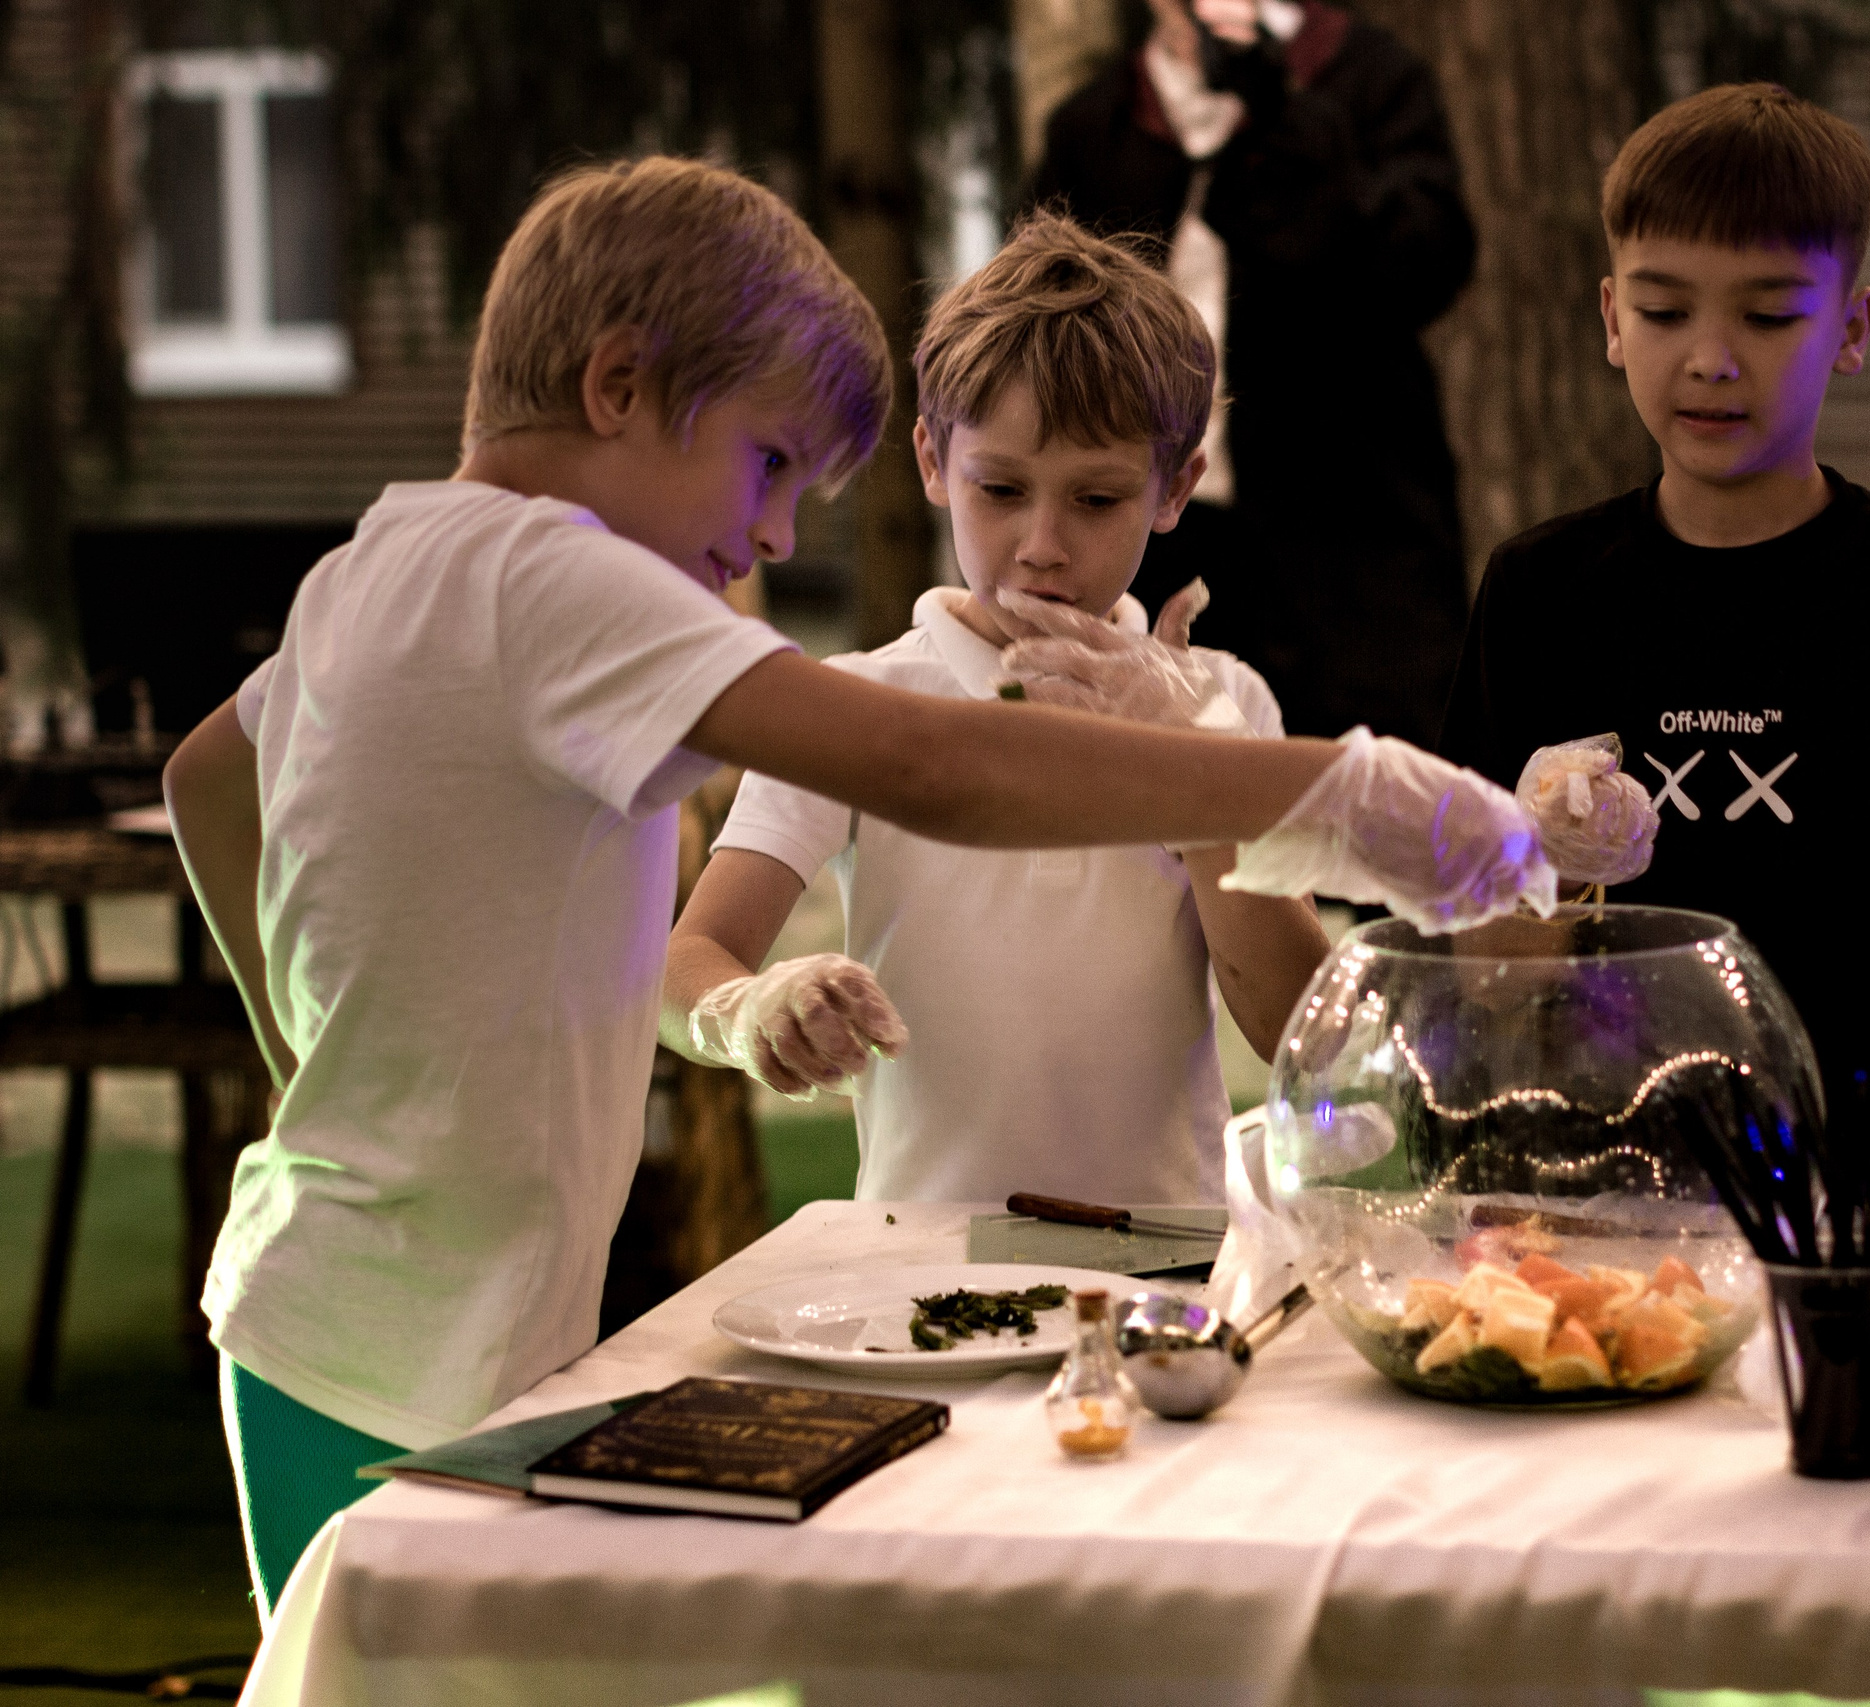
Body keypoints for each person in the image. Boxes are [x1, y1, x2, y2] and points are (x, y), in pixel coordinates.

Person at [161, 157, 1547, 1620]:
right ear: (620, 387)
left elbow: (206, 779)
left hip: (356, 1295)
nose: (773, 539)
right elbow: (931, 765)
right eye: (767, 464)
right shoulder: (554, 577)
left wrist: (304, 1051)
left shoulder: (390, 557)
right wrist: (1341, 793)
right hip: (404, 1331)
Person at [1440, 83, 1870, 1111]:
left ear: (1851, 326)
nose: (1709, 357)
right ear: (1613, 318)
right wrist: (1545, 873)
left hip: (1868, 1192)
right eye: (1664, 310)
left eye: (1768, 313)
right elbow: (1468, 949)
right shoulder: (1540, 590)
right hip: (1592, 1194)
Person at [661, 213, 1331, 1203]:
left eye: (1096, 500)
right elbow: (685, 965)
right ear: (933, 462)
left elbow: (1301, 1040)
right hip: (919, 1275)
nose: (1043, 544)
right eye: (1001, 489)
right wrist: (750, 1008)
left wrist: (1199, 776)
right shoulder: (853, 703)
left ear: (1174, 486)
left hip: (1165, 1274)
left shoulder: (1224, 701)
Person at [1033, 0, 1475, 747]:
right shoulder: (1098, 123)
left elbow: (1430, 262)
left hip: (1352, 527)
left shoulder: (1369, 79)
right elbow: (1046, 315)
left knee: (1368, 782)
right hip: (1162, 529)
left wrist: (1286, 118)